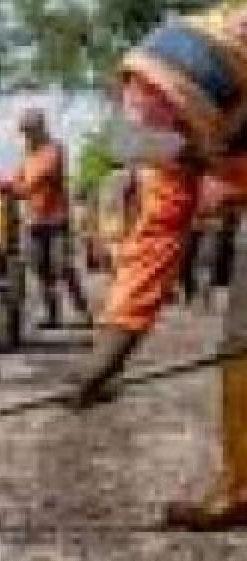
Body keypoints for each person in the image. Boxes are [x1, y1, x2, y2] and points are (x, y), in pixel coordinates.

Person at [67, 4, 247, 530]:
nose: (190, 165)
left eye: (192, 149)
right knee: (241, 341)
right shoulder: (154, 105)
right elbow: (158, 233)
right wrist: (112, 349)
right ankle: (241, 487)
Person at [0, 109, 94, 329]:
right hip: (34, 221)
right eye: (24, 133)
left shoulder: (55, 150)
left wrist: (11, 187)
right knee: (39, 269)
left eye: (29, 131)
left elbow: (37, 179)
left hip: (56, 220)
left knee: (62, 266)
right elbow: (19, 179)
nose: (26, 136)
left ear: (40, 129)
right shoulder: (27, 155)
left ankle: (82, 312)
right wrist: (3, 185)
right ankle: (52, 315)